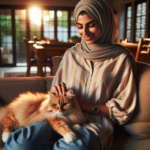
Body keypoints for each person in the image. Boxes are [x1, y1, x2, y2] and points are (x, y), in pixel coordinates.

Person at [4, 0, 137, 150]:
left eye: (91, 25)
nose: (84, 33)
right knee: (19, 145)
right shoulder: (71, 54)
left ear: (104, 23)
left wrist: (83, 106)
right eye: (80, 26)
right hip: (59, 118)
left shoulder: (121, 59)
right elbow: (54, 95)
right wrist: (57, 90)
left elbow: (124, 110)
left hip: (95, 124)